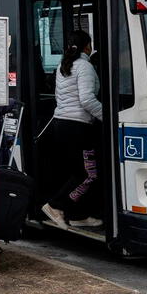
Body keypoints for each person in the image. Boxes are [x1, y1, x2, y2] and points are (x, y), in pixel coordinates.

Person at [42, 30, 103, 229]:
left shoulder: (63, 66)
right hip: (78, 127)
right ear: (87, 46)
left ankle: (77, 215)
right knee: (89, 174)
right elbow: (86, 99)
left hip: (62, 125)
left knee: (76, 172)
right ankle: (55, 205)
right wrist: (109, 116)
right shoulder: (84, 66)